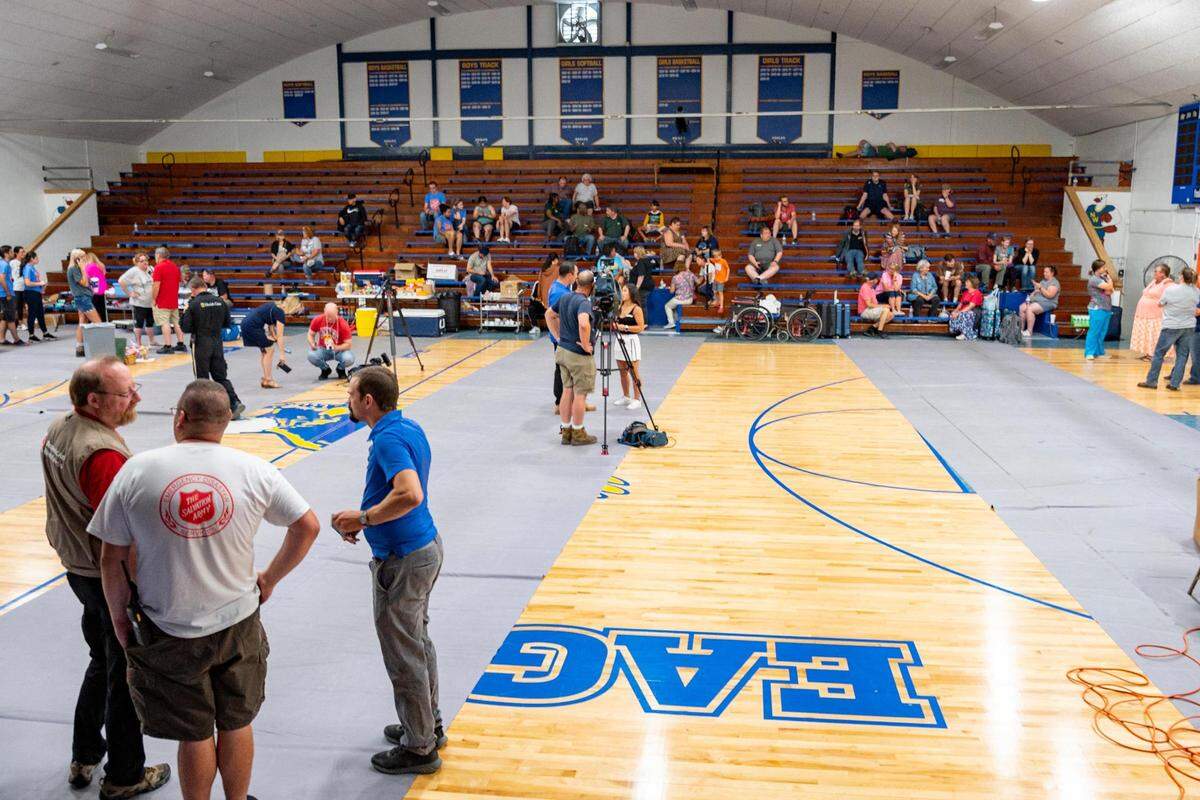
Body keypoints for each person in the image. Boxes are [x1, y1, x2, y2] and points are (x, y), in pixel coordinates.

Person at [92, 379, 319, 800]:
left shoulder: (136, 470)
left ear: (179, 417)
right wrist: (269, 578)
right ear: (225, 423)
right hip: (237, 619)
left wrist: (120, 619)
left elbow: (112, 557)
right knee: (236, 721)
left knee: (194, 731)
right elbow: (307, 526)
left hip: (169, 622)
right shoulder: (254, 469)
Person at [41, 357, 172, 799]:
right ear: (93, 400)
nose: (135, 398)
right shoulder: (103, 457)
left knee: (101, 661)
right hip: (104, 576)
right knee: (126, 673)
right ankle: (125, 775)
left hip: (77, 567)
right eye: (125, 394)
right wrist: (141, 587)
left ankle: (84, 754)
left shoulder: (61, 425)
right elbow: (123, 536)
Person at [329, 367, 446, 775]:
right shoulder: (407, 426)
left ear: (368, 401)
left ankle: (419, 747)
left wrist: (364, 518)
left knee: (403, 651)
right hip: (422, 548)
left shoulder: (389, 438)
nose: (348, 400)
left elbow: (409, 493)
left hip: (404, 559)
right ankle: (427, 723)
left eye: (351, 394)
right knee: (416, 640)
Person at [545, 270, 598, 446]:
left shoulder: (566, 297)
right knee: (580, 393)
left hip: (563, 351)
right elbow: (584, 323)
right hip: (577, 355)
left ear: (576, 282)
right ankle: (578, 432)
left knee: (567, 390)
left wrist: (557, 336)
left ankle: (566, 430)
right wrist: (584, 344)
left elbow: (549, 314)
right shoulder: (583, 302)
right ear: (591, 286)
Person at [181, 276, 245, 419]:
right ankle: (234, 402)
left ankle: (206, 410)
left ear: (193, 289)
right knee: (221, 377)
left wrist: (186, 311)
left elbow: (185, 327)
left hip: (201, 343)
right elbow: (227, 323)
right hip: (217, 342)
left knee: (202, 379)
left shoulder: (193, 304)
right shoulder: (220, 301)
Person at [1139, 268, 1200, 390]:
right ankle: (1175, 384)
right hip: (1188, 326)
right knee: (1182, 355)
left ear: (1181, 276)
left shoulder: (1171, 289)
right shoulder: (1196, 291)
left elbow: (1160, 303)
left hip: (1171, 325)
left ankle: (1151, 381)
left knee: (1159, 354)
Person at [547, 259, 577, 415]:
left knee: (565, 369)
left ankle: (568, 401)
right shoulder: (559, 292)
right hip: (562, 339)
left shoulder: (561, 288)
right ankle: (559, 403)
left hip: (564, 338)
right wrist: (559, 337)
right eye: (576, 274)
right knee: (561, 369)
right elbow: (554, 316)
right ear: (570, 275)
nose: (577, 277)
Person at [240, 300, 289, 388]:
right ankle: (268, 380)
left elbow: (270, 325)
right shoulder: (280, 312)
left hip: (246, 323)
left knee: (265, 352)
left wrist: (274, 337)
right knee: (270, 350)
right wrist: (282, 355)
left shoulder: (274, 306)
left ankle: (266, 379)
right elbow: (280, 336)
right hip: (253, 326)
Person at [1131, 262, 1174, 360]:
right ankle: (1148, 353)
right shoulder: (1154, 281)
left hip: (1155, 315)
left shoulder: (1168, 284)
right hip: (1144, 314)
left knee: (1154, 334)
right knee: (1146, 333)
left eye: (1156, 271)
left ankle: (1154, 354)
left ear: (1163, 273)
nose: (1154, 273)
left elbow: (1170, 298)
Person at [116, 252, 157, 351]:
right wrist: (129, 293)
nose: (145, 263)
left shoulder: (151, 269)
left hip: (150, 302)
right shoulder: (133, 271)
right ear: (137, 262)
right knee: (139, 323)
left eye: (146, 260)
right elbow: (121, 281)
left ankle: (152, 341)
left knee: (150, 322)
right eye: (142, 261)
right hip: (139, 302)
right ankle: (139, 343)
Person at [614, 282, 646, 408]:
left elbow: (641, 327)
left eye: (625, 291)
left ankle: (637, 399)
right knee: (622, 371)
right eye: (622, 290)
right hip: (619, 339)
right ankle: (626, 396)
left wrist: (625, 327)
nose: (622, 293)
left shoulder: (636, 309)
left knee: (633, 371)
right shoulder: (619, 307)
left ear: (631, 293)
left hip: (631, 340)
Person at [151, 246, 186, 355]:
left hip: (162, 300)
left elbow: (156, 285)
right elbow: (181, 280)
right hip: (173, 300)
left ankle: (168, 346)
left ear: (158, 255)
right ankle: (181, 344)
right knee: (176, 322)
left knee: (164, 323)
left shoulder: (158, 267)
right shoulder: (174, 266)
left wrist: (153, 299)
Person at [308, 302, 356, 379]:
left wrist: (336, 347)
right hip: (323, 348)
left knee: (349, 359)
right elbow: (310, 334)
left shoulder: (343, 323)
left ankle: (340, 369)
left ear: (337, 312)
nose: (330, 319)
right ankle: (325, 369)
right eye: (328, 316)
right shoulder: (318, 319)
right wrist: (312, 343)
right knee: (311, 355)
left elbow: (348, 345)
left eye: (332, 316)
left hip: (339, 350)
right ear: (324, 311)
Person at [68, 248, 100, 356]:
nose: (85, 258)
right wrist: (83, 269)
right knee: (98, 323)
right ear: (77, 259)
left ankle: (80, 347)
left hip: (83, 297)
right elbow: (84, 283)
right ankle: (100, 346)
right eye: (83, 257)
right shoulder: (74, 269)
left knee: (82, 322)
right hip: (83, 298)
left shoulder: (76, 268)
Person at [1084, 259, 1114, 360]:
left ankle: (1099, 352)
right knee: (1094, 331)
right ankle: (1089, 352)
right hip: (1097, 308)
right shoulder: (1094, 279)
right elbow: (1109, 287)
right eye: (1103, 267)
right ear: (1098, 269)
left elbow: (1109, 291)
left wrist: (1109, 284)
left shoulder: (1102, 278)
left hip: (1106, 307)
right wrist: (1109, 279)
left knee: (1102, 332)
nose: (1105, 269)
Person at [1019, 265, 1060, 338]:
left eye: (1046, 272)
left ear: (1052, 273)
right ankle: (1021, 330)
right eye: (1044, 272)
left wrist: (1040, 287)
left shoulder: (1054, 283)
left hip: (1048, 302)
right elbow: (1036, 292)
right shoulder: (1043, 281)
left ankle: (1029, 331)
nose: (1044, 273)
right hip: (1037, 301)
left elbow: (1049, 295)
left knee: (1030, 308)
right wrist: (1032, 294)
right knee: (1022, 307)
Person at [21, 250, 50, 341]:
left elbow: (35, 281)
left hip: (36, 293)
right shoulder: (27, 268)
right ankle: (31, 335)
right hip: (30, 294)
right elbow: (27, 283)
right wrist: (39, 283)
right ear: (31, 259)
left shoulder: (32, 268)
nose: (38, 259)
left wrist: (42, 287)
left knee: (40, 314)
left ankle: (45, 333)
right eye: (36, 258)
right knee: (32, 314)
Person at [663, 257, 697, 330]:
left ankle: (671, 323)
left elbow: (672, 291)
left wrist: (670, 287)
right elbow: (698, 281)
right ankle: (676, 322)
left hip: (680, 299)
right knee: (674, 307)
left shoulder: (675, 277)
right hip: (690, 299)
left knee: (667, 306)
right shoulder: (690, 274)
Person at [857, 273, 893, 338]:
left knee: (890, 315)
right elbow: (869, 305)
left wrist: (882, 306)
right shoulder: (865, 287)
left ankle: (872, 328)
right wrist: (883, 306)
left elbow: (874, 304)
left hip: (870, 309)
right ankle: (880, 331)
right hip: (864, 311)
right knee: (886, 310)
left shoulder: (872, 288)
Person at [949, 275, 985, 341]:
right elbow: (960, 304)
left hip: (974, 311)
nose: (965, 283)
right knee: (953, 313)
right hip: (964, 309)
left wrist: (959, 312)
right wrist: (956, 310)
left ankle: (965, 334)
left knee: (965, 314)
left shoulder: (977, 293)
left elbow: (970, 306)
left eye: (967, 282)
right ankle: (957, 331)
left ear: (972, 283)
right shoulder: (965, 292)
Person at [84, 251, 109, 323]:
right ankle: (104, 322)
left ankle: (94, 324)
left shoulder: (89, 267)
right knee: (102, 308)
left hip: (94, 290)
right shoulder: (101, 265)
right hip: (102, 289)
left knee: (93, 309)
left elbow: (88, 278)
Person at [10, 245, 29, 330]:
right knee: (17, 306)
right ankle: (19, 324)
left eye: (24, 252)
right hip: (16, 287)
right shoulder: (12, 262)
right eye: (22, 252)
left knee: (23, 306)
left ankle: (21, 323)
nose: (23, 253)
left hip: (24, 287)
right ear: (16, 253)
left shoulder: (25, 262)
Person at [707, 248, 730, 314]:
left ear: (721, 255)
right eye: (715, 256)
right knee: (714, 291)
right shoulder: (715, 260)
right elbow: (709, 259)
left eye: (718, 256)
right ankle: (717, 302)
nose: (717, 258)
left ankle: (721, 306)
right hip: (715, 279)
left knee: (720, 292)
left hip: (721, 280)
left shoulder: (723, 261)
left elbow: (728, 269)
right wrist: (708, 262)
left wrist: (727, 277)